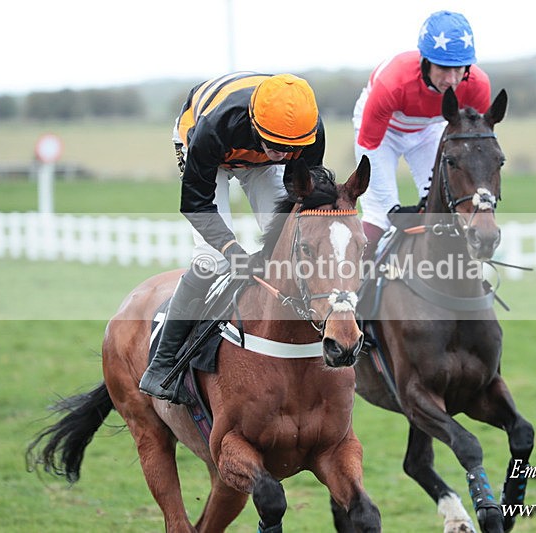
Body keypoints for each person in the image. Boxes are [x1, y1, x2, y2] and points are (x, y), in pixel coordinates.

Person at [139, 72, 326, 403]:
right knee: (211, 260)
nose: (282, 155)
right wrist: (232, 250)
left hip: (255, 154)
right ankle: (161, 366)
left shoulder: (307, 132)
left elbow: (305, 197)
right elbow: (196, 204)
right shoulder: (213, 128)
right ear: (255, 126)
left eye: (289, 149)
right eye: (275, 146)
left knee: (294, 245)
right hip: (208, 150)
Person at [353, 10, 491, 259]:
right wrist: (393, 209)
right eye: (443, 68)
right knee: (380, 216)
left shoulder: (478, 86)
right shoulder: (393, 82)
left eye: (459, 69)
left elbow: (474, 147)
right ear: (425, 61)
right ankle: (355, 287)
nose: (451, 80)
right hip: (381, 134)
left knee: (445, 206)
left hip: (429, 130)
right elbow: (369, 145)